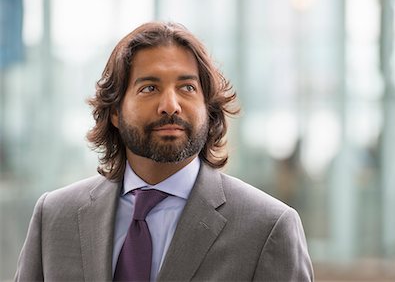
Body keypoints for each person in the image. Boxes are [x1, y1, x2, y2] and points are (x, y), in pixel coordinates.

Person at [15, 21, 314, 282]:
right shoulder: (54, 217)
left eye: (187, 88)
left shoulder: (267, 228)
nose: (170, 105)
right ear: (116, 112)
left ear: (208, 110)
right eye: (149, 88)